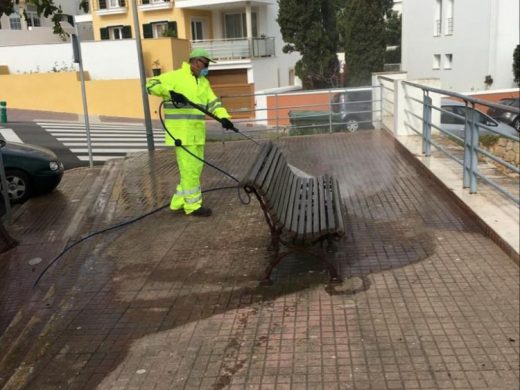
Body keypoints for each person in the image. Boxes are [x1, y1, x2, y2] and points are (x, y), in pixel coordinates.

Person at [146, 48, 235, 217]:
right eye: (206, 64)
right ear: (196, 61)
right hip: (181, 133)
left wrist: (224, 118)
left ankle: (178, 201)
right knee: (190, 170)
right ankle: (192, 206)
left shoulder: (203, 83)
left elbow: (213, 103)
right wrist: (170, 92)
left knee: (195, 168)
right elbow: (150, 85)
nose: (207, 68)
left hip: (197, 133)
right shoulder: (175, 76)